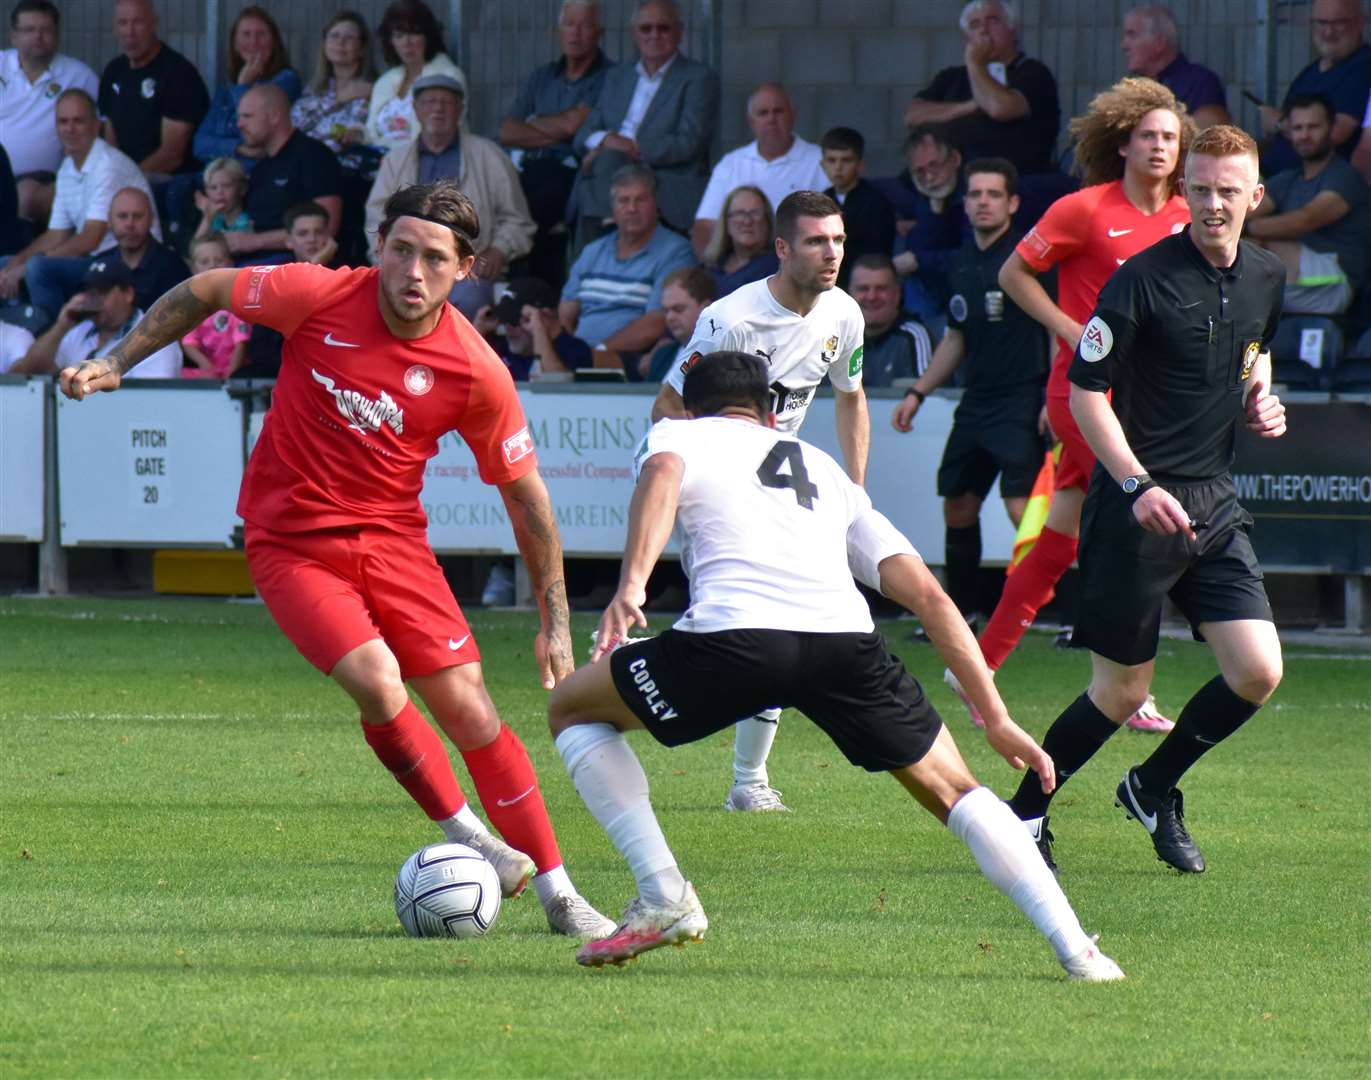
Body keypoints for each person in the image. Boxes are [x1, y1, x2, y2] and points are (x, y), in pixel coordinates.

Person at [57, 179, 617, 942]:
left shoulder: (475, 369)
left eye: (434, 259)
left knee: (471, 708)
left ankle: (560, 891)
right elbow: (205, 287)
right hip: (291, 543)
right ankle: (473, 838)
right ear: (377, 248)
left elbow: (527, 498)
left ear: (466, 268)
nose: (413, 272)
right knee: (376, 680)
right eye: (401, 250)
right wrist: (119, 358)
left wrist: (555, 623)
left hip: (394, 545)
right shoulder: (314, 294)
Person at [546, 350, 1124, 981]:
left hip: (733, 642)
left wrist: (631, 584)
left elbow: (660, 474)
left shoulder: (678, 432)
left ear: (689, 407)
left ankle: (663, 895)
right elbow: (930, 597)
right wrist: (996, 716)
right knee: (958, 793)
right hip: (844, 645)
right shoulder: (823, 468)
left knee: (571, 708)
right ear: (772, 413)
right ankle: (1081, 953)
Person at [1009, 124, 1286, 876]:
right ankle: (1023, 814)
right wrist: (1135, 484)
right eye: (1198, 189)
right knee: (1121, 690)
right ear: (1183, 191)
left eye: (1228, 191)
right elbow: (1086, 391)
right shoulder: (1139, 278)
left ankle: (1151, 785)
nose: (1211, 204)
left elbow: (1251, 355)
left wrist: (1263, 398)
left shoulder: (1265, 275)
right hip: (1133, 503)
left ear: (1253, 196)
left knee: (1257, 672)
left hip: (1213, 502)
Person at [976, 77, 1196, 741]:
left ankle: (976, 667)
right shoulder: (1082, 209)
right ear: (1121, 142)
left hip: (1148, 402)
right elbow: (1013, 274)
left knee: (1058, 541)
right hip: (1084, 394)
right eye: (1147, 136)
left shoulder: (1188, 214)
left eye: (1169, 137)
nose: (1159, 147)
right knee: (1133, 528)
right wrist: (1070, 331)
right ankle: (1132, 688)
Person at [651, 190, 866, 813]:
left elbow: (850, 397)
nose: (832, 254)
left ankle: (749, 782)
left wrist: (855, 489)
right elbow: (670, 404)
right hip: (719, 479)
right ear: (781, 248)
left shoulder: (844, 314)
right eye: (816, 241)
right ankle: (626, 669)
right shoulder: (730, 319)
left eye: (839, 241)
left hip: (780, 485)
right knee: (732, 633)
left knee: (777, 622)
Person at [891, 160, 1048, 646]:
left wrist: (1053, 395)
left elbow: (1056, 326)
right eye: (975, 194)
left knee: (1022, 507)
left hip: (1024, 396)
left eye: (993, 194)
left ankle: (1065, 613)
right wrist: (919, 392)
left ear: (1013, 203)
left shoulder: (1031, 258)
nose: (983, 201)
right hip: (976, 401)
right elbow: (956, 336)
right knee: (958, 503)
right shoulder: (962, 262)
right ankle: (960, 613)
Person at [364, 73, 535, 291]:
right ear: (416, 110)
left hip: (468, 273)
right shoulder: (394, 160)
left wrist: (498, 251)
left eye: (446, 102)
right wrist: (387, 259)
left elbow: (518, 220)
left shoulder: (489, 155)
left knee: (469, 301)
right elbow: (376, 217)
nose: (438, 108)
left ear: (460, 111)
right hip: (405, 268)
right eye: (430, 102)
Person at [0, 89, 159, 322]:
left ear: (96, 126)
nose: (69, 129)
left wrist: (27, 266)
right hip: (97, 256)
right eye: (63, 122)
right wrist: (15, 263)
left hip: (127, 259)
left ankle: (48, 337)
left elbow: (90, 238)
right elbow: (56, 234)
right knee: (5, 263)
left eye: (78, 121)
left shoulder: (106, 164)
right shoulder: (67, 167)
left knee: (38, 269)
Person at [570, 0, 718, 246]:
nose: (654, 35)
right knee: (600, 167)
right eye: (646, 28)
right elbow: (584, 133)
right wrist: (605, 140)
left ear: (679, 31)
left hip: (667, 177)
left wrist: (630, 148)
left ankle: (608, 239)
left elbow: (689, 143)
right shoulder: (617, 76)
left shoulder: (699, 78)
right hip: (610, 173)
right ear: (634, 34)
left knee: (606, 163)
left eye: (663, 28)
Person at [499, 0, 613, 287]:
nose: (576, 33)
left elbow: (578, 128)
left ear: (600, 32)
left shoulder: (612, 76)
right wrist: (563, 126)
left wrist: (535, 123)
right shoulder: (541, 77)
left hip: (572, 171)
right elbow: (508, 131)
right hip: (524, 167)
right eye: (569, 24)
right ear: (557, 31)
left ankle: (532, 293)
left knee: (539, 200)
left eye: (585, 25)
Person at [903, 0, 1060, 177]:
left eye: (993, 21)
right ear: (967, 38)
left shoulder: (1033, 72)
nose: (983, 30)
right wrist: (968, 106)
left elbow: (1000, 108)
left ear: (1013, 31)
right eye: (975, 24)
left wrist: (974, 63)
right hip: (946, 179)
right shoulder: (951, 77)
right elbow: (913, 116)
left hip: (1012, 181)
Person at [1247, 93, 1371, 316]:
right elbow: (1246, 208)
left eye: (1313, 127)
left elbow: (1306, 219)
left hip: (1336, 283)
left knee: (1247, 247)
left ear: (1332, 129)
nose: (1304, 135)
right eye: (1298, 128)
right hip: (1299, 275)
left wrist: (1240, 230)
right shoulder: (1288, 179)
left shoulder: (1345, 176)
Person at [559, 163, 694, 358]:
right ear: (612, 208)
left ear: (656, 204)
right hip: (584, 357)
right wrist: (575, 352)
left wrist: (599, 353)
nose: (632, 208)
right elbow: (566, 312)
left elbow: (655, 323)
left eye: (640, 200)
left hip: (632, 360)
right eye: (624, 200)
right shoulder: (593, 251)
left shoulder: (675, 252)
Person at [690, 83, 826, 256]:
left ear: (793, 115)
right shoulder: (731, 163)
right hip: (737, 264)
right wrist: (714, 267)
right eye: (763, 113)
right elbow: (705, 225)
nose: (771, 119)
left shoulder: (820, 160)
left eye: (778, 111)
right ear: (751, 122)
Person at [0, 0, 98, 224]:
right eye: (29, 30)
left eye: (46, 30)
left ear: (57, 35)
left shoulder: (80, 77)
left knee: (23, 197)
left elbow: (98, 134)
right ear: (13, 36)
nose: (38, 36)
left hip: (40, 179)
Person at [230, 85, 344, 263]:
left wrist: (255, 242)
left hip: (291, 263)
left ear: (275, 116)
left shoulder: (313, 155)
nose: (239, 124)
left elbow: (328, 226)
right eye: (239, 117)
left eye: (248, 116)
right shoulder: (261, 167)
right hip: (251, 261)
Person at [13, 257, 181, 377]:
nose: (93, 300)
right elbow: (32, 369)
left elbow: (150, 402)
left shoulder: (155, 339)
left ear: (128, 294)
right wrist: (61, 326)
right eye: (89, 292)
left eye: (102, 292)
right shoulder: (78, 331)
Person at [1259, 0, 1371, 177]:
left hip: (1316, 188)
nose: (1328, 31)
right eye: (1322, 22)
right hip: (1276, 180)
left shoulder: (1364, 68)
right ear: (1311, 23)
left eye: (1338, 23)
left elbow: (1336, 133)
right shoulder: (1309, 73)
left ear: (1360, 23)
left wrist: (1280, 123)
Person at [98, 0, 208, 178]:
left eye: (138, 22)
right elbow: (110, 142)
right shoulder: (113, 71)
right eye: (123, 23)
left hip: (164, 181)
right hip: (122, 179)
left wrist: (126, 182)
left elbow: (171, 157)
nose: (130, 32)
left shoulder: (178, 73)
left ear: (154, 24)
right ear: (114, 28)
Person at [193, 6, 302, 170]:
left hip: (253, 175)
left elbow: (259, 132)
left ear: (274, 41)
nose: (253, 42)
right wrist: (238, 148)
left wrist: (244, 86)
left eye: (261, 34)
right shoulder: (226, 90)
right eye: (246, 34)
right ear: (235, 44)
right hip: (215, 178)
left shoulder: (286, 81)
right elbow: (199, 145)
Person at [887, 125, 970, 326]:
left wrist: (920, 260)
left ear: (955, 160)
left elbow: (971, 258)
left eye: (935, 165)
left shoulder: (975, 193)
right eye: (920, 171)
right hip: (935, 286)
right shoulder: (926, 194)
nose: (930, 177)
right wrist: (935, 209)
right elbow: (920, 247)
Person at [365, 0, 468, 155]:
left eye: (414, 33)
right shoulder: (384, 82)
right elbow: (371, 133)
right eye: (399, 35)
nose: (407, 43)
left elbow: (442, 138)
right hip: (381, 166)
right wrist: (359, 135)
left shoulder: (449, 76)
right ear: (391, 42)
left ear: (428, 36)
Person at [290, 11, 378, 171]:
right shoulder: (314, 88)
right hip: (305, 166)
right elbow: (294, 130)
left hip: (347, 171)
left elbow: (356, 140)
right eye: (334, 36)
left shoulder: (373, 89)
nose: (340, 42)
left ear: (362, 48)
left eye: (349, 37)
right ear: (324, 44)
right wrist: (339, 101)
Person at [1120, 4, 1229, 128]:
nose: (1124, 45)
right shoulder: (1131, 88)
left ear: (1159, 43)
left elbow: (1209, 142)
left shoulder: (1200, 83)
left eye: (1132, 35)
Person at [819, 127, 896, 290]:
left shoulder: (876, 202)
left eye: (846, 160)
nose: (838, 168)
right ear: (822, 164)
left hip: (865, 284)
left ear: (860, 165)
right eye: (832, 160)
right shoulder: (820, 202)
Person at [846, 254, 933, 387]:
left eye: (881, 288)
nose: (871, 297)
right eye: (863, 289)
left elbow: (925, 399)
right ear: (849, 295)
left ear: (897, 294)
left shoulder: (913, 337)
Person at [490, 277, 592, 380]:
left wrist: (538, 330)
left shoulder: (575, 350)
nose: (508, 327)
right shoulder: (504, 349)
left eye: (515, 319)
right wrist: (478, 331)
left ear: (546, 316)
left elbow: (558, 388)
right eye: (504, 319)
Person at [180, 232, 250, 379]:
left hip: (237, 370)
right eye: (204, 262)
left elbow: (241, 344)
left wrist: (231, 374)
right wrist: (206, 366)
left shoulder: (237, 301)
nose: (212, 266)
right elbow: (188, 342)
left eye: (218, 260)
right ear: (194, 269)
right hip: (210, 371)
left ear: (230, 264)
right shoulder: (193, 307)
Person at [698, 185, 778, 298]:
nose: (747, 221)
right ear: (726, 223)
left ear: (767, 220)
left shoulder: (778, 268)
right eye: (739, 213)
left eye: (755, 213)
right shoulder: (712, 267)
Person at [641, 265, 714, 381]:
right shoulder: (662, 355)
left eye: (678, 309)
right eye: (666, 311)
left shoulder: (722, 358)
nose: (669, 317)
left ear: (706, 308)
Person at [192, 157, 252, 243]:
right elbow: (196, 251)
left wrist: (208, 217)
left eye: (227, 186)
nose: (219, 192)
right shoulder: (213, 219)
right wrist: (207, 217)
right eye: (213, 187)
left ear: (242, 188)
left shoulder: (247, 221)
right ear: (206, 192)